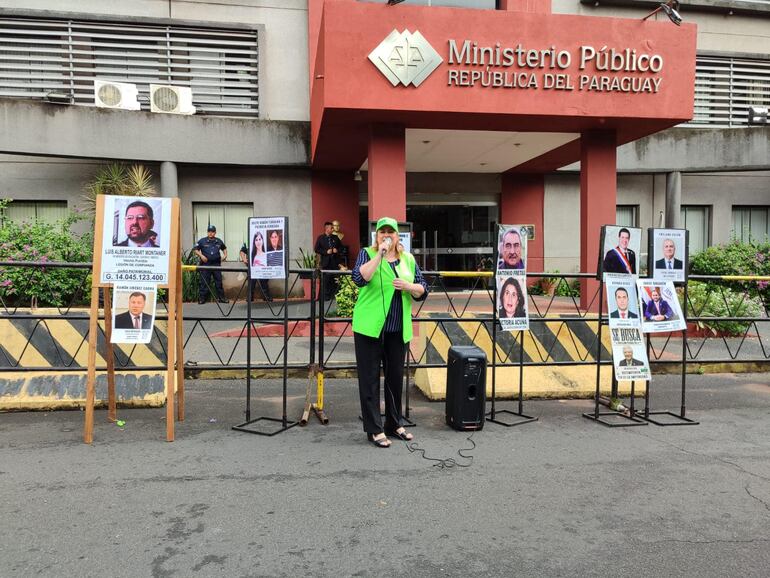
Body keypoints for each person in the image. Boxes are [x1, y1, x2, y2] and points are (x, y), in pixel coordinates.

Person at [351, 217, 429, 449]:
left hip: (398, 328)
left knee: (395, 378)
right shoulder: (367, 254)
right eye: (382, 232)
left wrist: (409, 286)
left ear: (398, 236)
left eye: (391, 232)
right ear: (376, 236)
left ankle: (394, 423)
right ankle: (374, 429)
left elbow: (423, 289)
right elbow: (359, 278)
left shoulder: (408, 259)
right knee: (370, 379)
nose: (386, 235)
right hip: (369, 328)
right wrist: (380, 255)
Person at [194, 225, 228, 304]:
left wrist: (225, 255)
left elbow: (224, 248)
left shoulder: (218, 241)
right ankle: (202, 299)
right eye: (209, 231)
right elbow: (195, 249)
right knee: (204, 282)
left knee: (218, 282)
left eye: (212, 232)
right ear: (207, 232)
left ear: (215, 232)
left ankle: (222, 298)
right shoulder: (202, 241)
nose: (210, 233)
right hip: (206, 264)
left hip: (216, 265)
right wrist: (201, 256)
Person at [314, 221, 343, 300]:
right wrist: (326, 252)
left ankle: (335, 296)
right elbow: (316, 249)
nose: (333, 229)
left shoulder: (335, 237)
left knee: (335, 280)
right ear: (326, 229)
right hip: (326, 262)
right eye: (331, 228)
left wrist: (337, 250)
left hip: (335, 262)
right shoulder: (321, 238)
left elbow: (341, 248)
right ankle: (324, 297)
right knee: (325, 280)